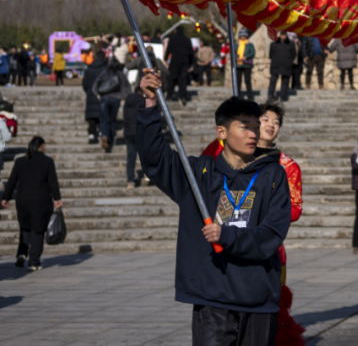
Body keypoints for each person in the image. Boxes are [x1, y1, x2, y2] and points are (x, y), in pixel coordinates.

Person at [136, 71, 292, 344]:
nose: (254, 133)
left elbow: (272, 232)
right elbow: (155, 160)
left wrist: (227, 235)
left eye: (256, 126)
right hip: (212, 298)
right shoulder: (199, 173)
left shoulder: (273, 175)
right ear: (222, 131)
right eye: (244, 126)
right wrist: (150, 105)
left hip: (257, 298)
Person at [201, 102, 307, 345]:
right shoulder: (227, 154)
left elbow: (294, 208)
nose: (270, 125)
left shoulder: (287, 167)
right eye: (264, 120)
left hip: (264, 244)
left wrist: (262, 213)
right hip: (222, 240)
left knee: (268, 311)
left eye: (276, 122)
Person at [1, 136, 62, 271]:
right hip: (41, 201)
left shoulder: (20, 161)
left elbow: (11, 181)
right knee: (38, 230)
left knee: (25, 227)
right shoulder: (47, 161)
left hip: (22, 200)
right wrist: (57, 199)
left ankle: (22, 253)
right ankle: (33, 261)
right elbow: (53, 182)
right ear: (43, 146)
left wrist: (6, 198)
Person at [94, 55, 131, 153]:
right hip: (116, 99)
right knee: (112, 120)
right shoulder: (120, 74)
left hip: (105, 98)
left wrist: (98, 94)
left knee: (104, 119)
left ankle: (105, 135)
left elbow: (95, 85)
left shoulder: (104, 73)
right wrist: (123, 97)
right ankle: (110, 140)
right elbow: (126, 88)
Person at [82, 47, 107, 144]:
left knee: (92, 115)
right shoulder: (105, 69)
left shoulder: (89, 68)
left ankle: (92, 134)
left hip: (91, 94)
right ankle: (101, 132)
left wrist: (88, 91)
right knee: (102, 113)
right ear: (104, 58)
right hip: (102, 94)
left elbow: (84, 83)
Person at [165, 25, 194, 104]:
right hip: (185, 61)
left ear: (175, 30)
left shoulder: (173, 38)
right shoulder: (187, 39)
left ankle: (170, 96)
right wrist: (191, 63)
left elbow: (169, 49)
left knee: (172, 79)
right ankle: (183, 96)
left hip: (175, 61)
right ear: (183, 31)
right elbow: (191, 52)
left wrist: (165, 58)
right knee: (183, 80)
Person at [269, 32, 295, 102]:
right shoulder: (274, 44)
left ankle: (283, 96)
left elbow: (293, 54)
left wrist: (288, 61)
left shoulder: (291, 44)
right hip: (276, 65)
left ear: (286, 36)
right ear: (279, 35)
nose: (283, 36)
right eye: (282, 34)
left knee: (285, 82)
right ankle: (271, 96)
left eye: (284, 35)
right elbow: (271, 54)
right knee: (273, 81)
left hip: (286, 66)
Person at [236, 29, 256, 100]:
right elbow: (233, 53)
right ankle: (237, 95)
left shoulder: (250, 45)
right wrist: (237, 58)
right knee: (238, 81)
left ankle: (249, 96)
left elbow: (252, 52)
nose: (243, 37)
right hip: (238, 65)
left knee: (248, 81)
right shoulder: (236, 45)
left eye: (244, 35)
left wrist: (246, 57)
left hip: (247, 65)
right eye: (242, 35)